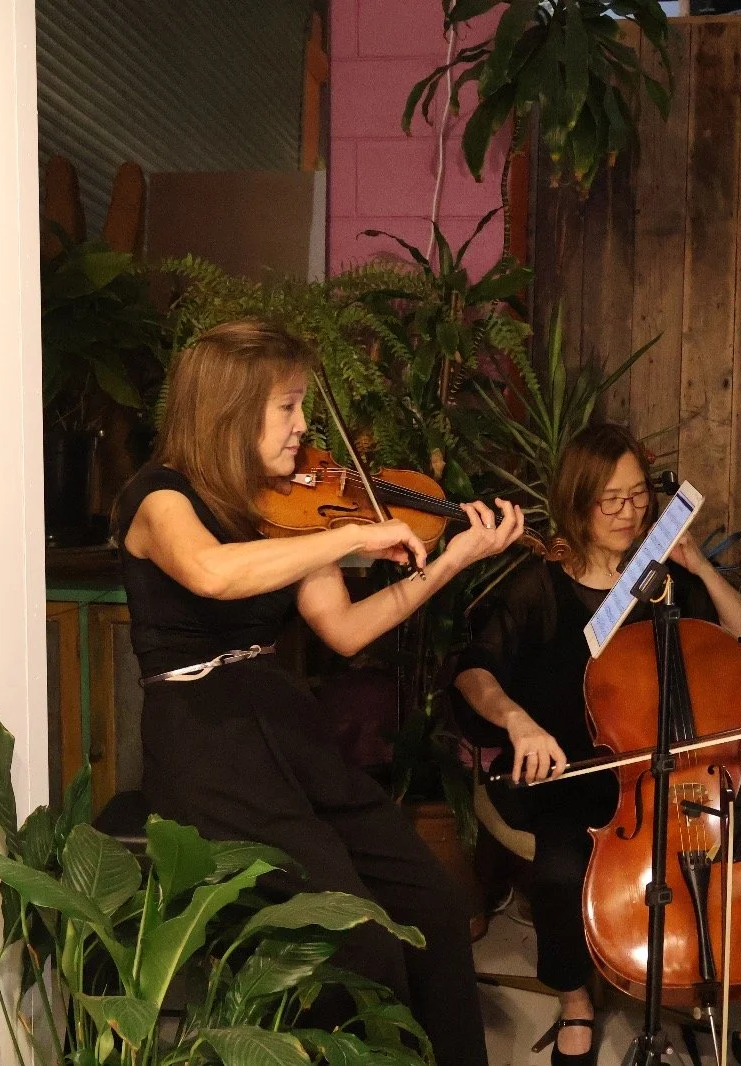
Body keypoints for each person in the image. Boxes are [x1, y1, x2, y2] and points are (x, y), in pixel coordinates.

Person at [112, 320, 527, 1066]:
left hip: (280, 719)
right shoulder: (158, 498)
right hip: (206, 740)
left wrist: (453, 558)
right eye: (288, 407)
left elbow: (344, 629)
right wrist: (351, 539)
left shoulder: (282, 504)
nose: (304, 427)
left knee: (432, 907)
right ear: (231, 411)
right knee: (355, 941)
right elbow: (211, 573)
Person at [455, 424, 741, 1066]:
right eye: (609, 500)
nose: (628, 513)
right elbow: (474, 671)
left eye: (638, 496)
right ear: (576, 502)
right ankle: (576, 1006)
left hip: (685, 767)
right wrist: (516, 719)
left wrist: (698, 565)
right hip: (583, 770)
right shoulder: (540, 586)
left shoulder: (666, 578)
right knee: (562, 870)